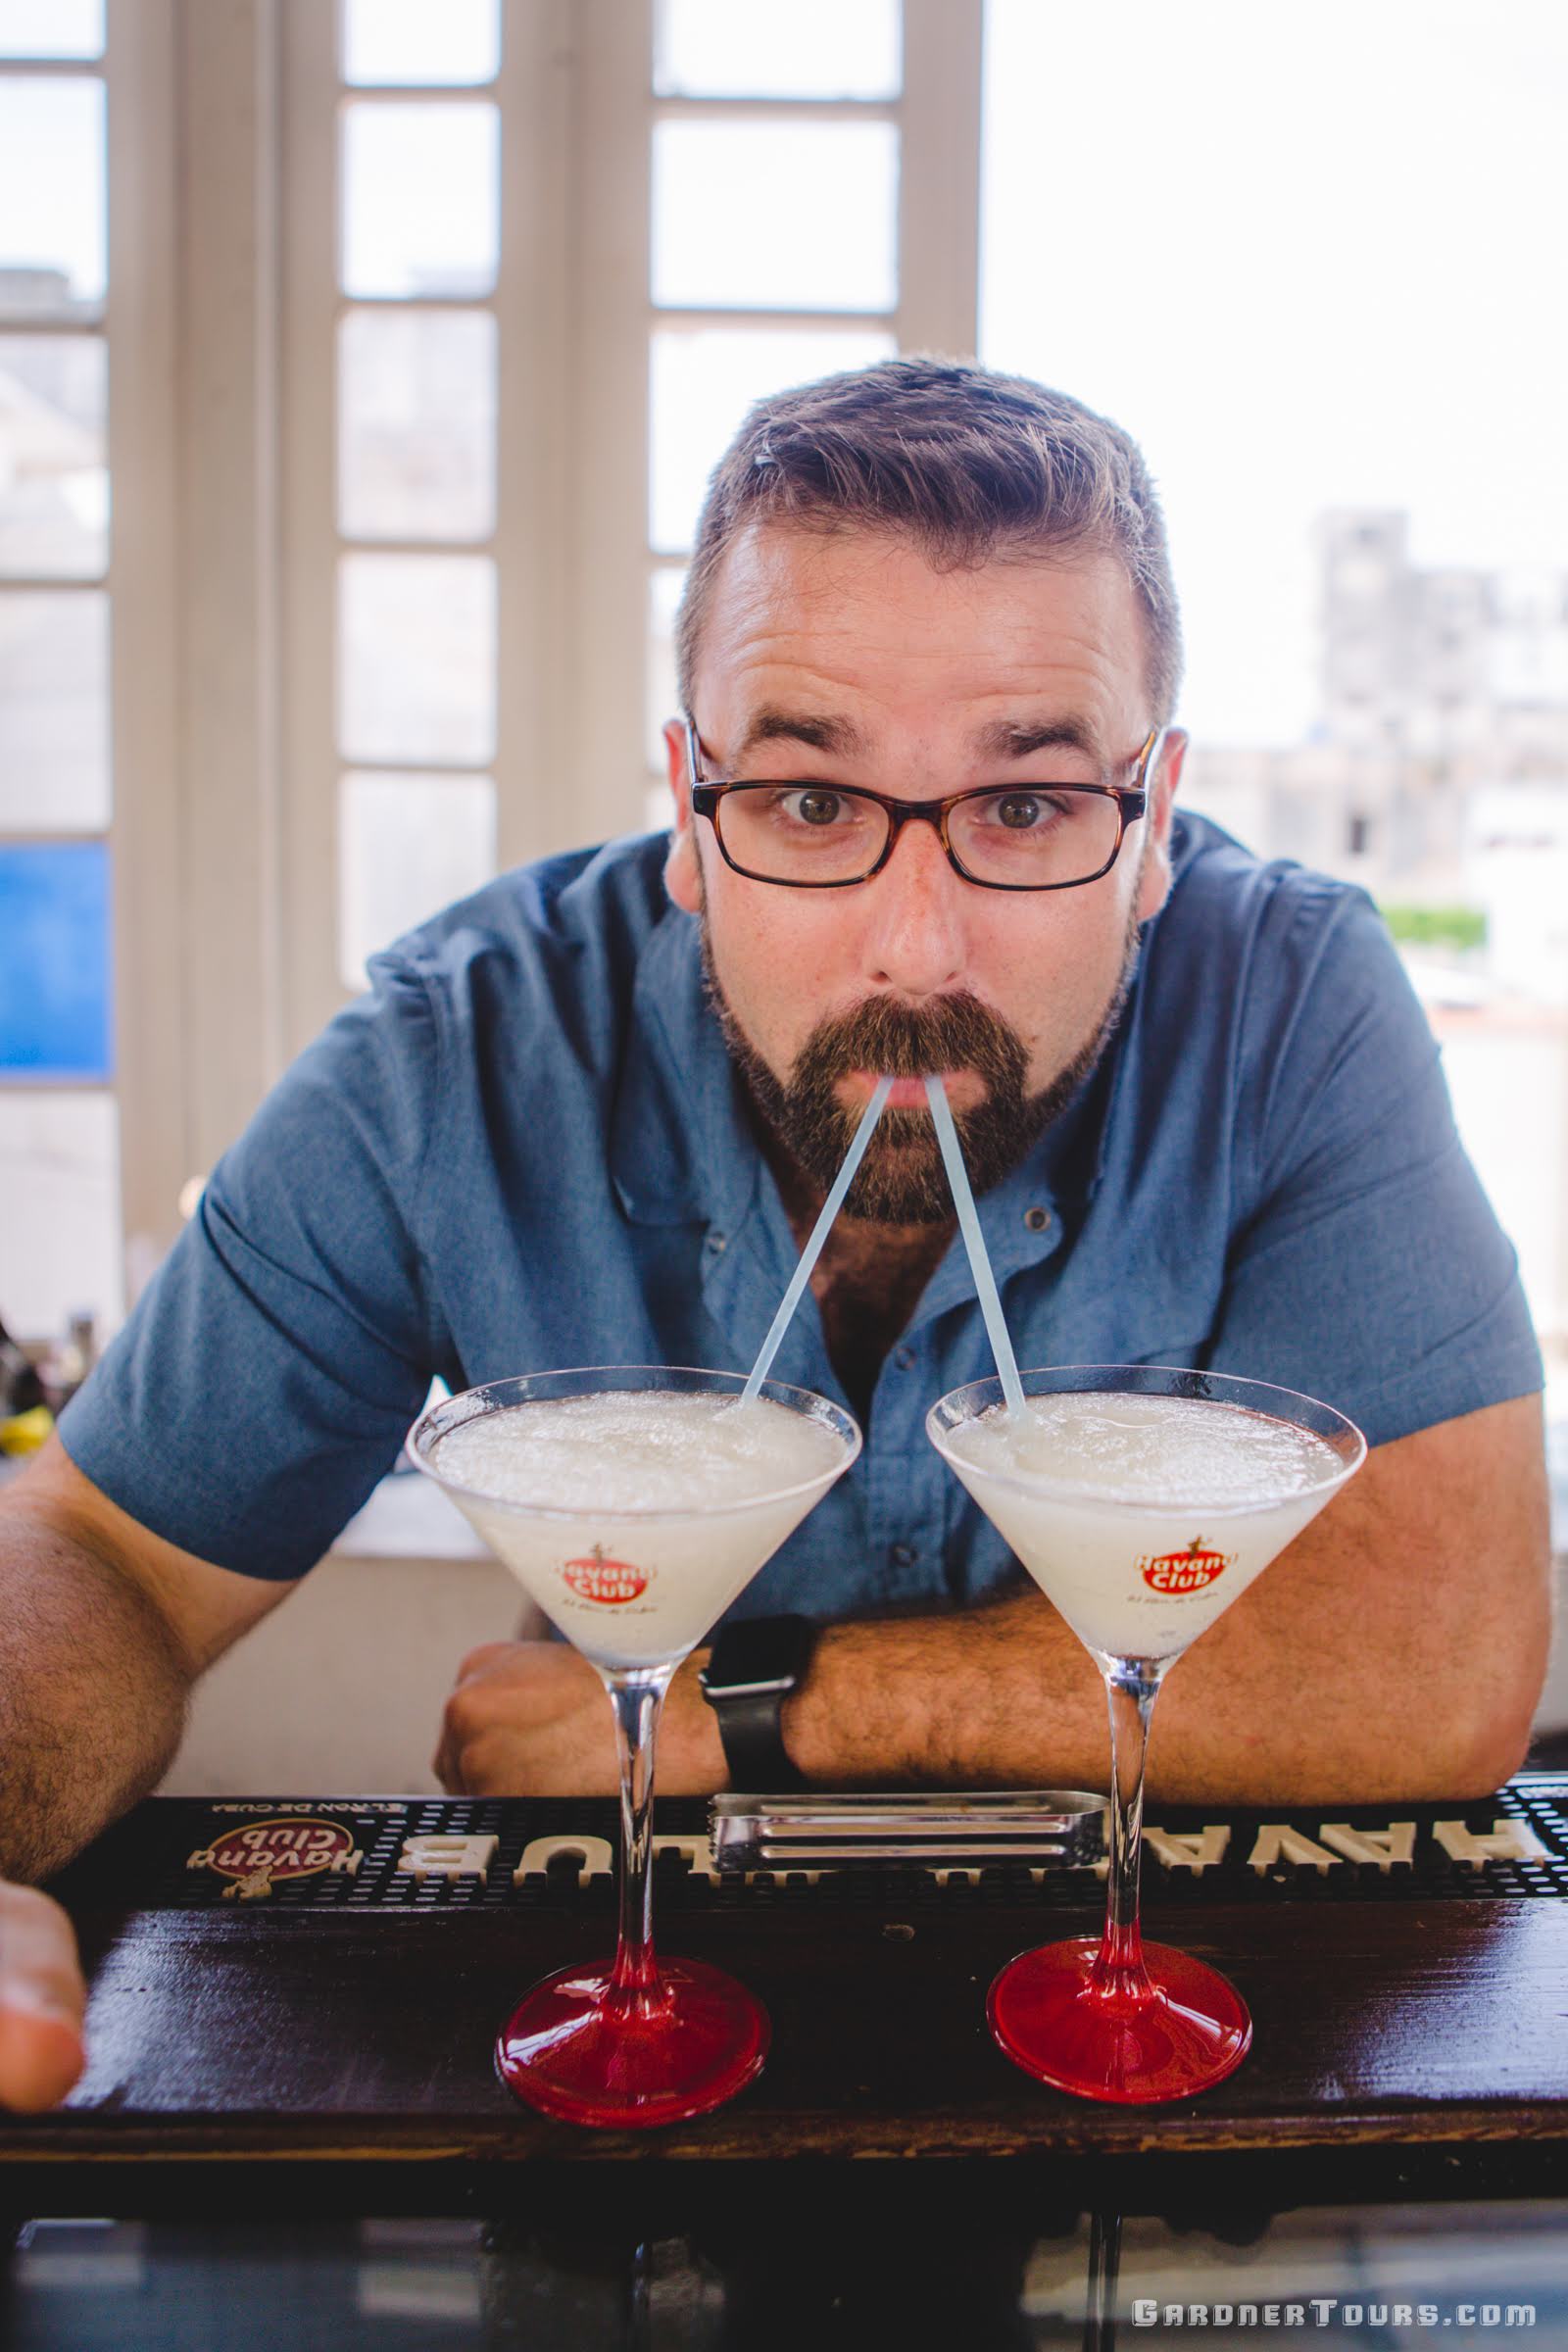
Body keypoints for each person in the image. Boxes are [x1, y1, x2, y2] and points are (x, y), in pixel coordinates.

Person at [0, 362, 1550, 2103]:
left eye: (1026, 805)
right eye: (811, 802)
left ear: (1155, 820)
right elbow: (106, 1552)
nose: (914, 948)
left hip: (1147, 2061)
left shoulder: (1293, 1007)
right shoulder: (463, 1053)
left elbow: (1434, 1675)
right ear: (689, 807)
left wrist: (753, 1705)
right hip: (621, 2054)